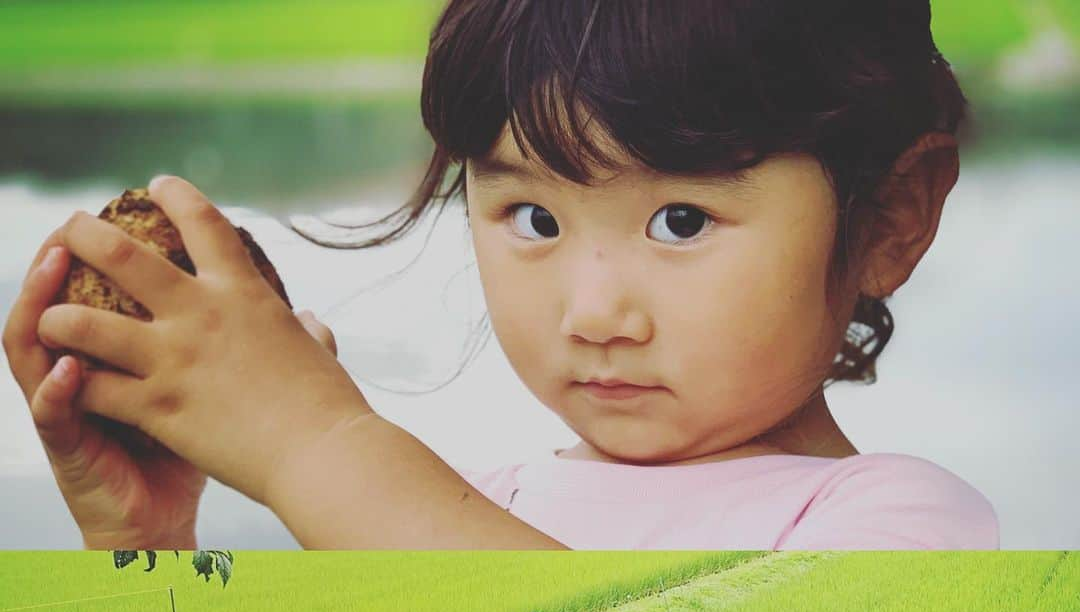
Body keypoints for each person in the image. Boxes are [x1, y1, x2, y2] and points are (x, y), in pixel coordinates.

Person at [5, 0, 1000, 551]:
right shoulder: (479, 508)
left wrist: (310, 440)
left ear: (890, 216)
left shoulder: (896, 523)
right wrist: (142, 542)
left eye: (681, 220)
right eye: (533, 218)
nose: (595, 311)